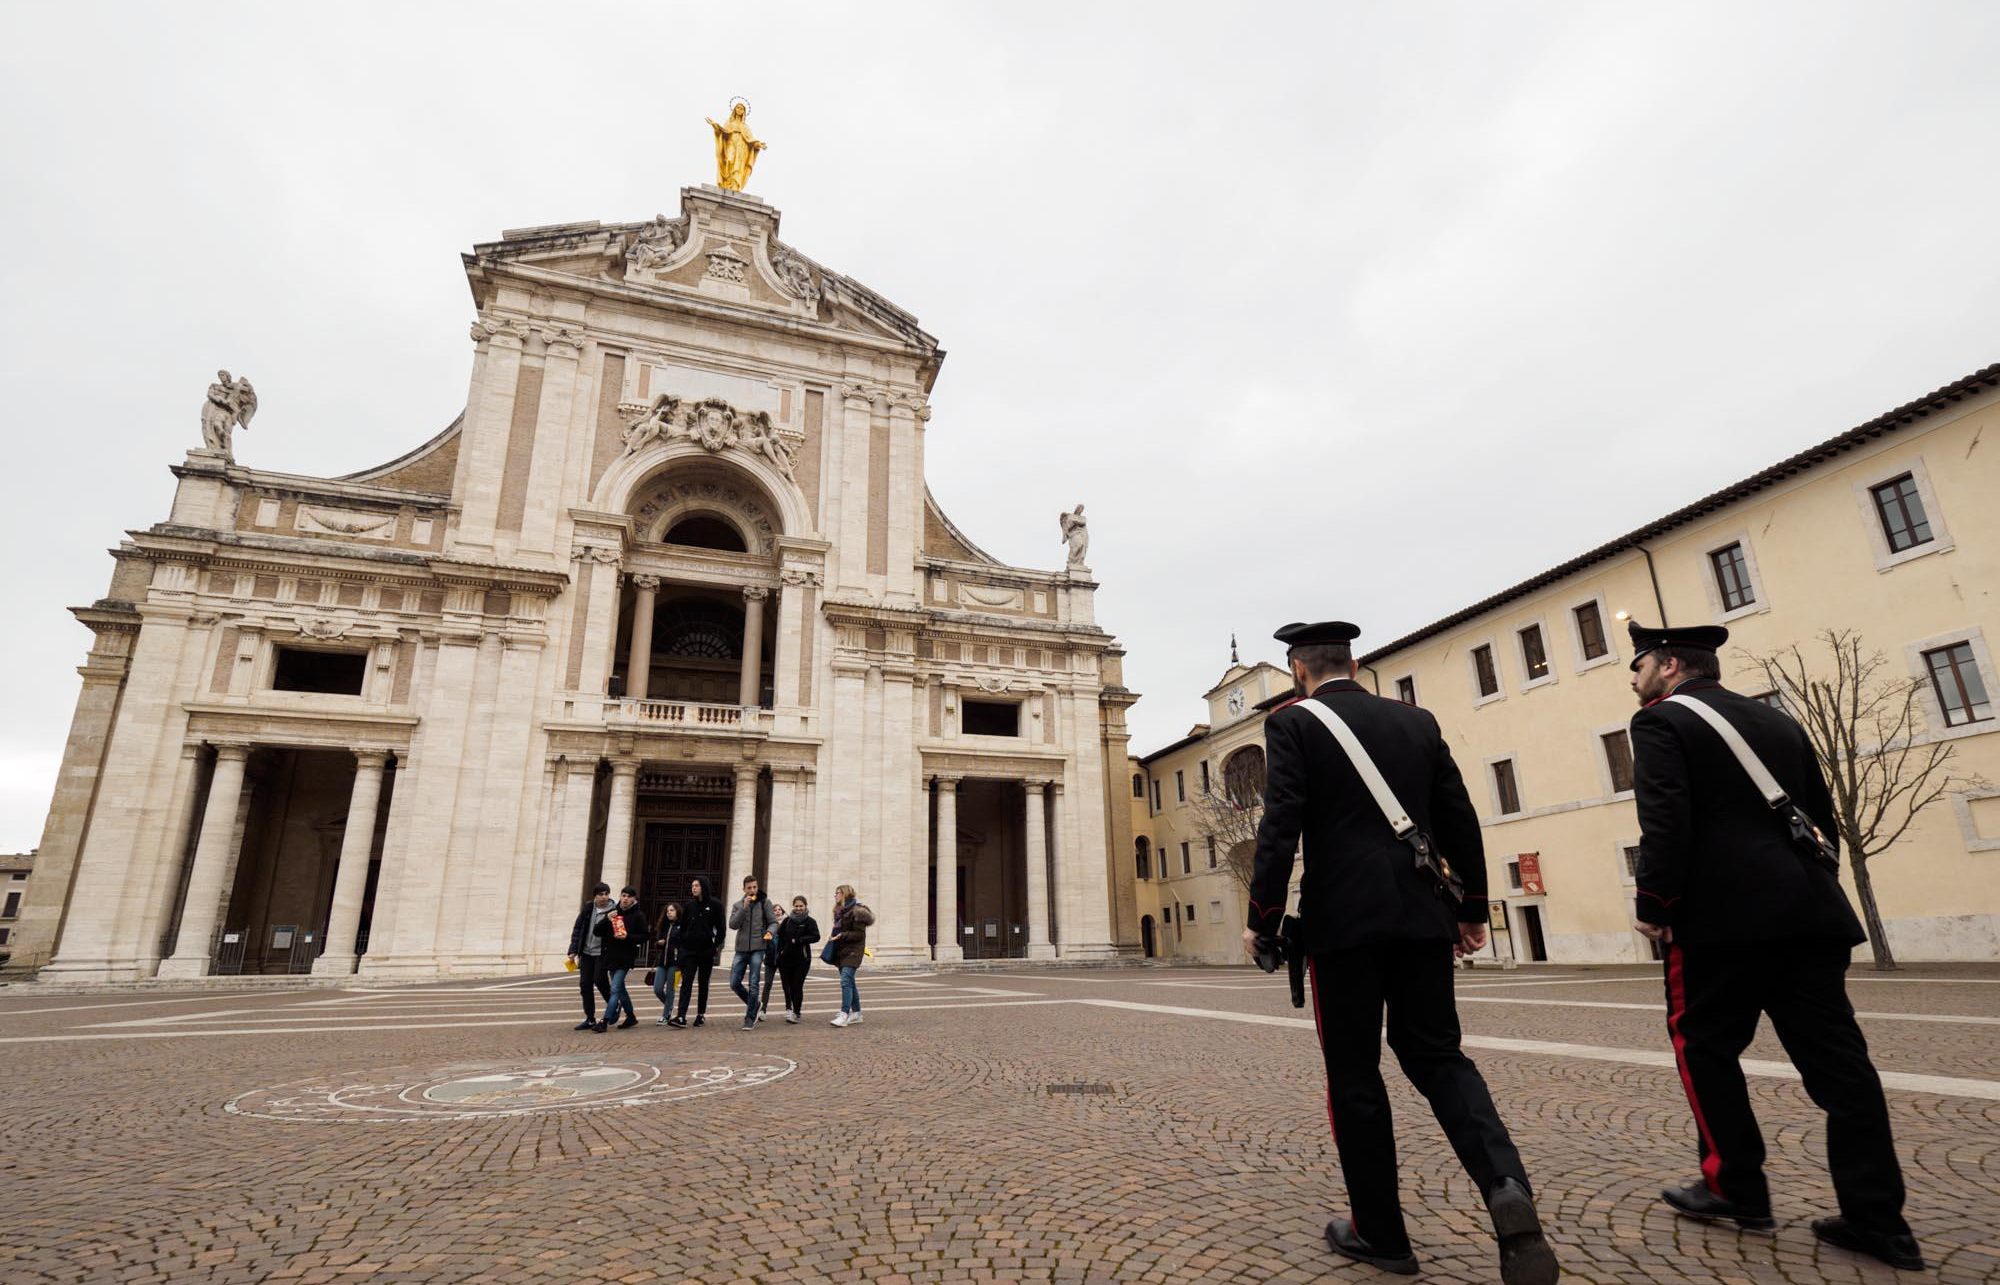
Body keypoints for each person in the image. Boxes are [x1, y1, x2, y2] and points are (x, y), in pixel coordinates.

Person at [1243, 620, 1558, 1284]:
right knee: (1440, 1055)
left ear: (1299, 667)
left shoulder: (1294, 725)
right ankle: (1505, 1183)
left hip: (1344, 923)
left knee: (1355, 1075)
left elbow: (1280, 826)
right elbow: (1458, 816)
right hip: (1421, 915)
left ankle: (1381, 1233)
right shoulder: (1417, 722)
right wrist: (1470, 910)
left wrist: (1263, 918)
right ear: (1352, 661)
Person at [1624, 621, 1923, 1271]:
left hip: (1719, 921)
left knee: (1704, 1047)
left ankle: (1736, 1186)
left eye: (1640, 661)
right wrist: (1814, 889)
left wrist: (1655, 903)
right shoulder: (1778, 722)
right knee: (1843, 1070)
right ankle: (1878, 1219)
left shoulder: (1659, 722)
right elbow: (1822, 816)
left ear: (1670, 665)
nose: (1634, 672)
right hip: (1809, 912)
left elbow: (1666, 819)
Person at [593, 886, 647, 1030]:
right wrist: (606, 919)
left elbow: (644, 936)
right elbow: (596, 932)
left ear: (634, 899)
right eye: (623, 895)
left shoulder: (638, 915)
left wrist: (627, 937)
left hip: (625, 957)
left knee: (615, 987)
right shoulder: (612, 913)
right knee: (620, 989)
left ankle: (604, 1021)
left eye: (629, 896)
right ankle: (631, 1017)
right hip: (611, 957)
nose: (625, 899)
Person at [673, 877, 724, 1028]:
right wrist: (683, 943)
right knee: (686, 982)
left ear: (704, 887)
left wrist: (715, 945)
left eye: (697, 885)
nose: (693, 888)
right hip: (689, 950)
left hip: (706, 950)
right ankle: (681, 1015)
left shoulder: (715, 905)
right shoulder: (689, 905)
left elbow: (721, 928)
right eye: (692, 886)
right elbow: (683, 927)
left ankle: (700, 1014)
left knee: (703, 983)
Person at [727, 875, 776, 1031]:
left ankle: (749, 1017)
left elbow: (773, 922)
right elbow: (733, 925)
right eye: (749, 888)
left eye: (755, 887)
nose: (753, 890)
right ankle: (755, 1004)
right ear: (744, 889)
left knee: (754, 982)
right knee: (734, 983)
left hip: (758, 947)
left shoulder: (765, 903)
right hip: (741, 949)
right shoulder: (737, 905)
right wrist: (744, 907)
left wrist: (769, 932)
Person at [565, 882, 615, 1033]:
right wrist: (573, 950)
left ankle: (614, 1006)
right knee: (585, 985)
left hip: (602, 952)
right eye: (601, 894)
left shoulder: (614, 910)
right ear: (595, 895)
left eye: (606, 894)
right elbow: (578, 929)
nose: (604, 897)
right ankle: (590, 1018)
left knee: (600, 981)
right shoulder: (588, 908)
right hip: (586, 952)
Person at [827, 883, 873, 1028]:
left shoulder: (857, 911)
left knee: (845, 980)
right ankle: (857, 1013)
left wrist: (842, 935)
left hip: (853, 951)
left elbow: (859, 934)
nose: (835, 895)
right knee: (850, 981)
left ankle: (844, 1013)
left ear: (845, 894)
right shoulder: (839, 911)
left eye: (838, 892)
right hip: (842, 950)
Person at [775, 895, 821, 1023]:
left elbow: (816, 936)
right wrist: (780, 952)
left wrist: (800, 940)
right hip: (785, 959)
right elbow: (780, 936)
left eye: (801, 906)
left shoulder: (810, 921)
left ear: (805, 906)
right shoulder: (787, 921)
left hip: (802, 959)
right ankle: (789, 1009)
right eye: (796, 906)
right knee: (787, 986)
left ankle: (796, 1011)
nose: (799, 908)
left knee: (797, 985)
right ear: (793, 906)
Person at [651, 900, 686, 1024]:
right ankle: (669, 1006)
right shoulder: (664, 926)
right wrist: (659, 943)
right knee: (657, 989)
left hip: (675, 963)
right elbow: (658, 942)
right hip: (662, 962)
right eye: (667, 911)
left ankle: (665, 1015)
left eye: (672, 910)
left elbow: (684, 944)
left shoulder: (682, 926)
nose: (669, 913)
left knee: (670, 989)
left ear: (677, 911)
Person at [758, 901, 787, 1022]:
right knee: (767, 984)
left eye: (779, 909)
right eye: (774, 910)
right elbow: (763, 941)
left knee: (787, 985)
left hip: (783, 959)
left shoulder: (787, 923)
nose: (777, 911)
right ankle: (763, 1010)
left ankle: (789, 1009)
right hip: (770, 959)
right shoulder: (768, 926)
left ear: (782, 911)